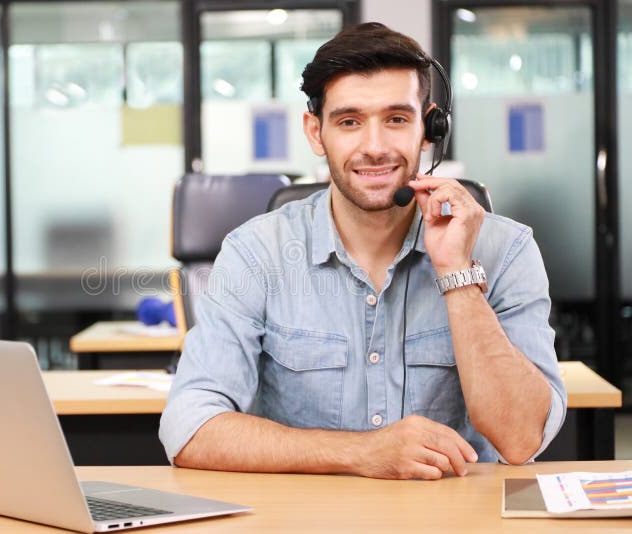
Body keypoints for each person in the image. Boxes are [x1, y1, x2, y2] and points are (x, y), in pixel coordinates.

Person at [159, 22, 565, 480]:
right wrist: (363, 452)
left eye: (396, 119)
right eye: (349, 121)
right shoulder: (256, 253)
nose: (374, 147)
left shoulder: (505, 249)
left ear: (430, 128)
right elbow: (188, 428)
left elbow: (523, 437)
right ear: (315, 132)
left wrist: (457, 274)